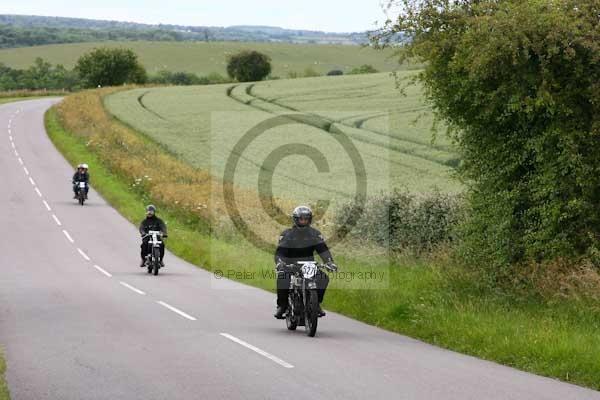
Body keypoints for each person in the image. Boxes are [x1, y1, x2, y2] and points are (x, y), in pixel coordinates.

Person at [274, 205, 337, 319]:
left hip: (309, 265)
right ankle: (282, 306)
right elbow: (281, 251)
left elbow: (323, 250)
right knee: (283, 278)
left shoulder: (315, 234)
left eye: (306, 219)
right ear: (296, 219)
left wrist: (329, 262)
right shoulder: (287, 234)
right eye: (301, 219)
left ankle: (316, 303)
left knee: (323, 278)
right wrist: (280, 262)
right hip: (290, 265)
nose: (304, 221)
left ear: (310, 220)